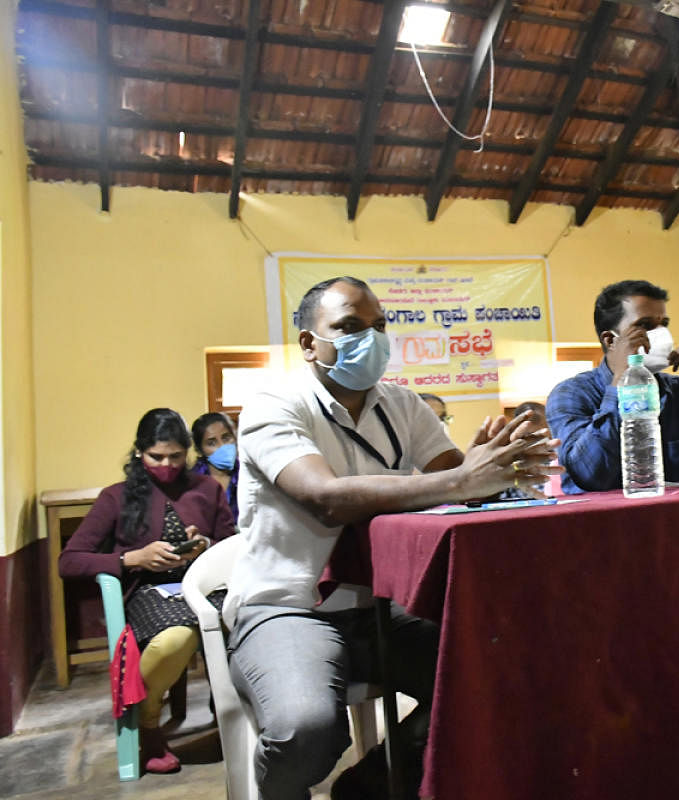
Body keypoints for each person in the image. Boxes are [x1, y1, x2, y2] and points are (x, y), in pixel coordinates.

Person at [222, 276, 558, 800]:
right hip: (288, 607)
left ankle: (371, 785)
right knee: (306, 729)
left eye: (380, 327)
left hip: (381, 606)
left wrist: (491, 466)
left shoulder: (402, 404)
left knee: (503, 671)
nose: (371, 339)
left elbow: (455, 483)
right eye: (350, 327)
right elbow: (326, 496)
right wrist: (461, 479)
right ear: (309, 342)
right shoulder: (273, 405)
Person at [59, 408, 236, 774]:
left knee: (245, 620)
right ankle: (148, 722)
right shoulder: (117, 497)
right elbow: (70, 560)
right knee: (176, 638)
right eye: (157, 457)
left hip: (203, 588)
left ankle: (235, 718)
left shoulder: (205, 490)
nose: (167, 465)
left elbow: (231, 543)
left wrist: (204, 544)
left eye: (176, 457)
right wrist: (131, 558)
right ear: (140, 452)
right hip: (148, 594)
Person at [547, 279, 679, 492]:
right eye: (644, 325)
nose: (661, 334)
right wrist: (622, 383)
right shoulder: (571, 394)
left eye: (664, 324)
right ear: (610, 340)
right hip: (601, 523)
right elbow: (591, 475)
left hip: (671, 519)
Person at [191, 411, 240, 523]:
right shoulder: (191, 483)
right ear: (200, 449)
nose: (222, 446)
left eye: (226, 438)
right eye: (212, 443)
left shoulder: (248, 474)